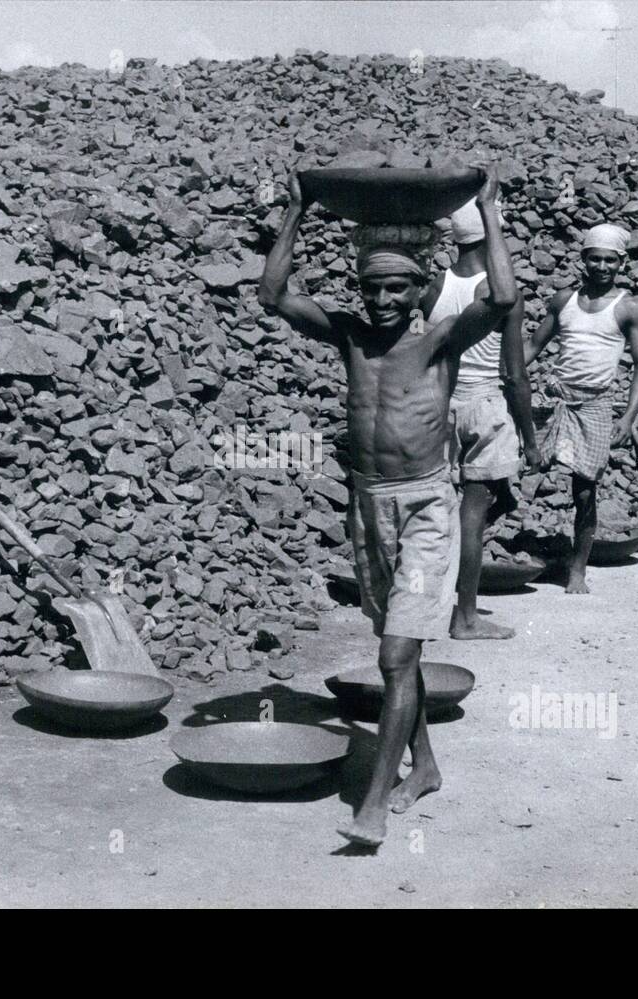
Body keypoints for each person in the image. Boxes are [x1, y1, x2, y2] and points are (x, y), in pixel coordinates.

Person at [258, 169, 517, 847]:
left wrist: (489, 214)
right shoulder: (348, 336)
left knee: (398, 654)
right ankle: (424, 764)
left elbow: (504, 297)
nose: (381, 299)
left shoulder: (437, 340)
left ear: (419, 289)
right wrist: (296, 211)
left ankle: (373, 802)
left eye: (396, 286)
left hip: (428, 506)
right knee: (394, 652)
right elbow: (274, 294)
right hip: (368, 507)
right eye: (371, 287)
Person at [425, 201, 538, 640]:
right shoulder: (499, 289)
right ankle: (466, 618)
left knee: (443, 512)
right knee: (474, 516)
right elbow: (515, 373)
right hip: (484, 405)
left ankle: (435, 600)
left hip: (440, 403)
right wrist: (529, 438)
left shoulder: (435, 285)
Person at [526, 223, 638, 593]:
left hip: (595, 404)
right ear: (583, 259)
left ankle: (577, 568)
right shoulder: (563, 300)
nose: (601, 267)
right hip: (555, 397)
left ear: (621, 263)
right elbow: (533, 345)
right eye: (594, 258)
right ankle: (512, 543)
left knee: (584, 490)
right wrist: (504, 379)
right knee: (523, 470)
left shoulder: (628, 307)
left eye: (609, 260)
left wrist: (628, 417)